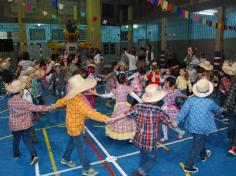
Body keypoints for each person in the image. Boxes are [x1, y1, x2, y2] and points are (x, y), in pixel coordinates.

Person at [52, 74, 111, 176]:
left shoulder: (72, 95)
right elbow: (91, 113)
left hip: (72, 125)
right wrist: (106, 118)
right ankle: (86, 169)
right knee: (81, 148)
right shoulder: (79, 101)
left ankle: (65, 158)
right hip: (75, 128)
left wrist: (54, 105)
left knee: (72, 142)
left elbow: (62, 101)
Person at [110, 85, 170, 176]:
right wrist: (174, 122)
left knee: (143, 156)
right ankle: (140, 172)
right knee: (153, 158)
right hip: (150, 140)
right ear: (157, 99)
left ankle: (142, 172)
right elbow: (167, 121)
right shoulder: (158, 110)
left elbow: (126, 114)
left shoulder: (138, 106)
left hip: (139, 137)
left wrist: (114, 118)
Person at [175, 79, 221, 173]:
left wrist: (176, 121)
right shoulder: (210, 102)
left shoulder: (190, 100)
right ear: (207, 91)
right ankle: (188, 165)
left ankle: (203, 155)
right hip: (202, 127)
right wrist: (222, 109)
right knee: (197, 146)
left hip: (192, 126)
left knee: (199, 140)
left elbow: (183, 111)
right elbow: (218, 109)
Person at [5, 79, 53, 165]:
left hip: (14, 126)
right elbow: (36, 108)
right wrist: (48, 107)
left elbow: (11, 111)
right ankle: (33, 155)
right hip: (25, 125)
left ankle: (16, 154)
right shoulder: (24, 102)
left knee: (16, 140)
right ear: (20, 91)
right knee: (27, 140)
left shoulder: (9, 101)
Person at [96, 73, 143, 140]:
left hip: (118, 107)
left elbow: (107, 96)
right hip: (126, 107)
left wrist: (97, 94)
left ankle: (115, 133)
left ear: (117, 80)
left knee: (116, 119)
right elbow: (136, 97)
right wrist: (143, 102)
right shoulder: (127, 88)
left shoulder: (116, 90)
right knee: (127, 119)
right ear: (125, 80)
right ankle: (129, 134)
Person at [160, 77, 187, 142]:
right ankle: (166, 137)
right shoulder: (166, 89)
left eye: (166, 82)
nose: (164, 83)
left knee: (171, 125)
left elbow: (182, 95)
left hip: (170, 109)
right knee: (164, 123)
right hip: (166, 108)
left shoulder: (170, 91)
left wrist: (189, 97)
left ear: (169, 83)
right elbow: (182, 95)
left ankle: (181, 132)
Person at [222, 62, 236, 155]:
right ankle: (233, 146)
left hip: (232, 109)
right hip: (233, 109)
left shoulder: (235, 83)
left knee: (231, 126)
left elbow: (230, 97)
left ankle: (231, 144)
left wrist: (224, 108)